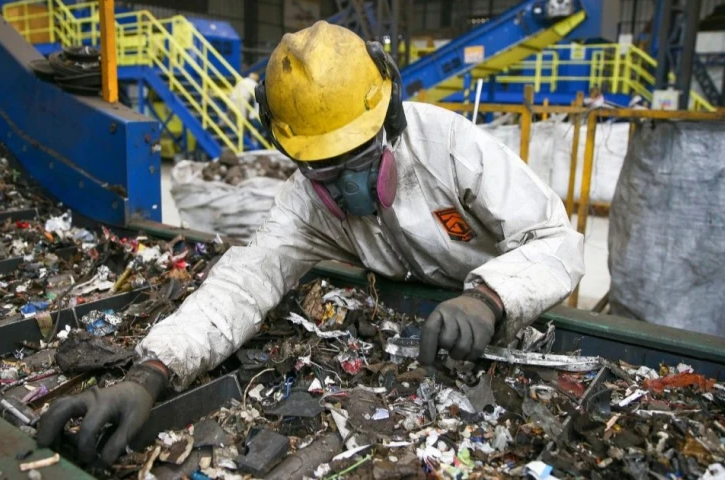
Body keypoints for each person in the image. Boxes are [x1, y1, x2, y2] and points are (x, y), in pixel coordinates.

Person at [37, 21, 585, 466]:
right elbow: (245, 280)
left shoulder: (449, 149)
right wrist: (150, 374)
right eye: (323, 169)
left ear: (389, 116)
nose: (346, 186)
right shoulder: (304, 202)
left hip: (505, 325)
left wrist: (489, 298)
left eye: (359, 158)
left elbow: (558, 241)